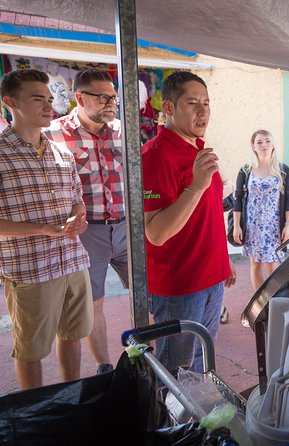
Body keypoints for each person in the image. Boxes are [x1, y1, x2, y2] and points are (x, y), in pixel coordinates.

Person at [0, 69, 92, 389]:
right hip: (30, 268)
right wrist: (42, 228)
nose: (48, 105)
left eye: (50, 99)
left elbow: (77, 201)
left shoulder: (61, 152)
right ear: (10, 102)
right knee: (31, 350)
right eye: (37, 98)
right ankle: (35, 411)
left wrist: (78, 217)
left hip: (72, 260)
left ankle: (71, 396)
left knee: (73, 335)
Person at [142, 71, 236, 376]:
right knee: (176, 371)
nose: (202, 112)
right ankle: (169, 424)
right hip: (179, 286)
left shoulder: (197, 149)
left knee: (201, 365)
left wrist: (223, 261)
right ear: (169, 107)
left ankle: (194, 423)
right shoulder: (155, 155)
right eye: (192, 103)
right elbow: (156, 233)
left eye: (206, 103)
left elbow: (207, 214)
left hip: (210, 276)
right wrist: (195, 186)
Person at [45, 68, 128, 375]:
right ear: (80, 97)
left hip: (127, 228)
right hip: (86, 232)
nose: (111, 103)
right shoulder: (52, 133)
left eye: (114, 97)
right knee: (93, 304)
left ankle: (147, 360)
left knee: (150, 294)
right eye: (103, 97)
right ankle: (104, 367)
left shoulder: (124, 130)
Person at [232, 130, 289, 290]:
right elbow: (238, 199)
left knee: (274, 267)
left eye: (267, 141)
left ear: (273, 144)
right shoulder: (246, 170)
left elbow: (288, 199)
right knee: (256, 264)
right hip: (252, 226)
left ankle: (275, 300)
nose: (264, 145)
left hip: (273, 227)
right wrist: (237, 226)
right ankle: (259, 305)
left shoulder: (283, 170)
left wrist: (288, 225)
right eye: (259, 142)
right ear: (253, 146)